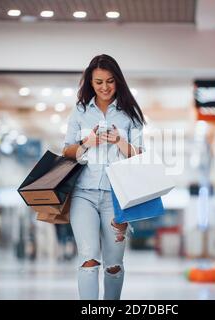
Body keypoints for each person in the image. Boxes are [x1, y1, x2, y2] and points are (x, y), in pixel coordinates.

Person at [63, 54, 145, 300]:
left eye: (110, 81)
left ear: (117, 81)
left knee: (113, 263)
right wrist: (86, 142)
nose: (105, 87)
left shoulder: (130, 114)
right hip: (83, 194)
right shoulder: (80, 112)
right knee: (88, 258)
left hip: (117, 196)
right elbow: (66, 150)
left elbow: (140, 154)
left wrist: (120, 141)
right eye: (98, 82)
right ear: (90, 82)